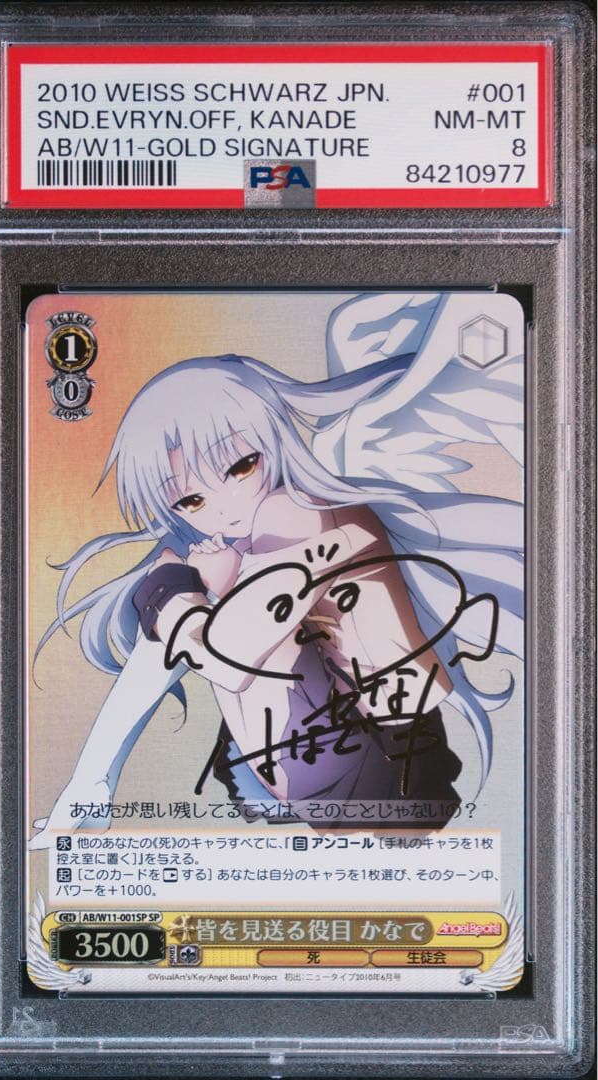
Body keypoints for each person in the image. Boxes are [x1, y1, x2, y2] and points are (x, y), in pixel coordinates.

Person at [29, 291, 523, 845]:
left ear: (273, 439)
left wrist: (189, 601)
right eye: (190, 499)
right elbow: (183, 634)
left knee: (188, 597)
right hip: (310, 764)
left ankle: (92, 785)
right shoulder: (226, 538)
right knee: (175, 583)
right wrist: (179, 595)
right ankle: (91, 786)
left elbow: (229, 661)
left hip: (386, 768)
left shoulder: (302, 512)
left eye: (242, 466)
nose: (224, 507)